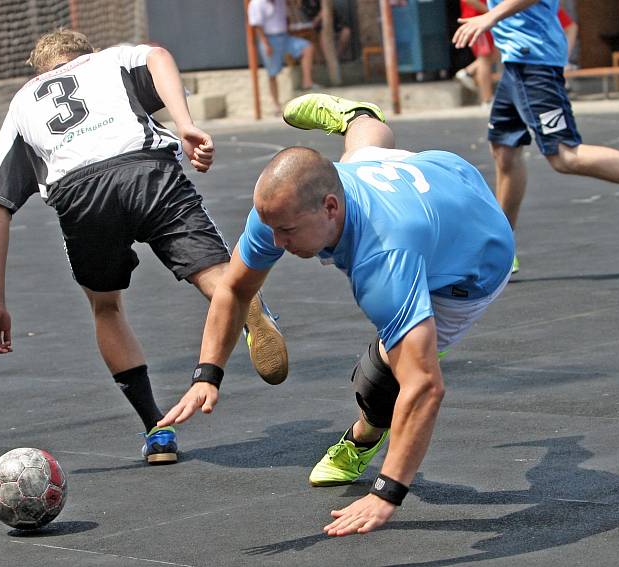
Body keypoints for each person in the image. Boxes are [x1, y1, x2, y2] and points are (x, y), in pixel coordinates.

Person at [159, 93, 515, 536]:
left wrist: (388, 492)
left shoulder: (383, 259)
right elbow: (234, 287)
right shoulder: (284, 209)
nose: (276, 243)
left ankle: (363, 437)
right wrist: (206, 374)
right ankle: (358, 117)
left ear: (330, 208)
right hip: (424, 173)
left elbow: (424, 387)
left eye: (286, 231)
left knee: (383, 377)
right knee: (363, 155)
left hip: (476, 259)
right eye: (271, 229)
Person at [0, 29, 288, 465]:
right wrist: (185, 123)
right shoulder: (111, 60)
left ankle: (158, 431)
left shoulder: (24, 101)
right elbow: (158, 55)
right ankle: (247, 308)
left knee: (106, 308)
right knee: (219, 279)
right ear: (86, 53)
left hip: (80, 194)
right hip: (144, 170)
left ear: (42, 69)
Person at [453, 0, 619, 273]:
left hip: (533, 62)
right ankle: (502, 252)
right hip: (516, 62)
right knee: (504, 149)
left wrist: (491, 16)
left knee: (565, 155)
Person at [248, 0, 316, 113]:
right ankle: (276, 104)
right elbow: (257, 26)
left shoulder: (281, 2)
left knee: (307, 47)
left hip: (285, 36)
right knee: (272, 73)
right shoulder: (257, 3)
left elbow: (288, 15)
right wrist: (265, 43)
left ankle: (307, 82)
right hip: (269, 39)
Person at [455, 0, 500, 106]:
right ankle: (487, 99)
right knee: (485, 59)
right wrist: (492, 13)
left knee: (496, 53)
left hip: (483, 19)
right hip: (477, 20)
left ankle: (468, 71)